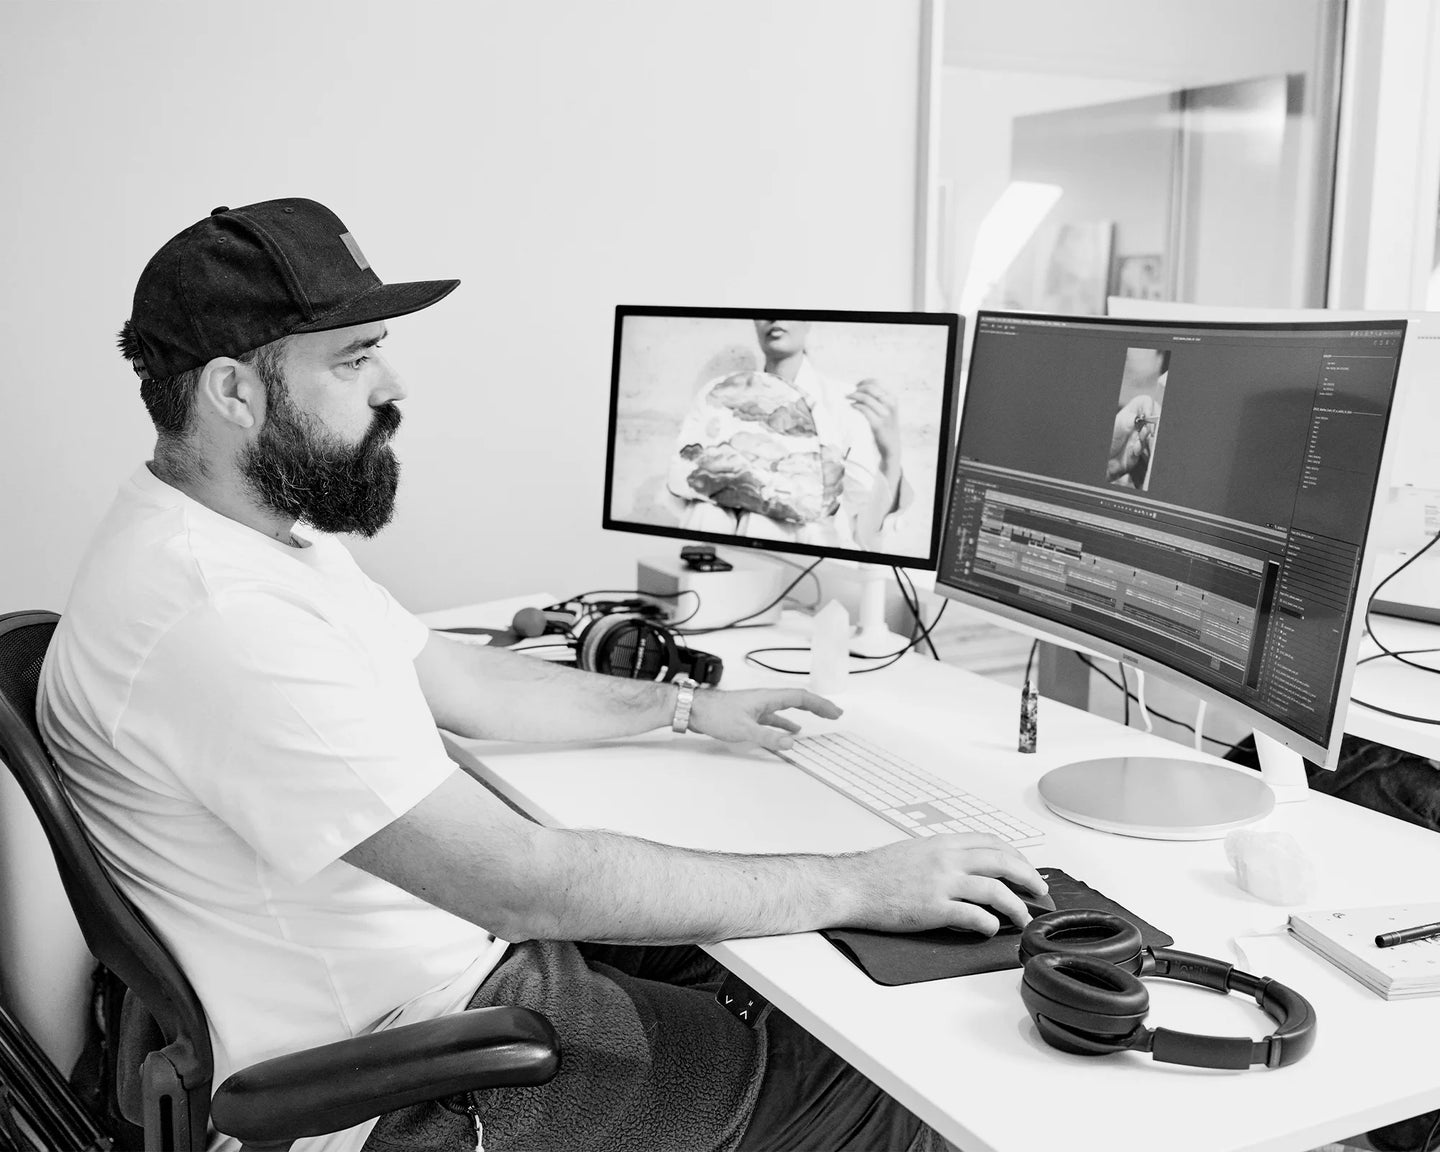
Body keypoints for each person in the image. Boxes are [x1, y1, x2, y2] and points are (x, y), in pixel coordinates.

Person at [38, 199, 1046, 1152]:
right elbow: (522, 883)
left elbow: (465, 683)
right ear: (234, 391)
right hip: (424, 1077)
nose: (392, 387)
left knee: (792, 962)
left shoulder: (249, 540)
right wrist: (861, 881)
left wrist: (689, 707)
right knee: (891, 1086)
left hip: (446, 979)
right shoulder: (218, 614)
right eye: (354, 359)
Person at [667, 319, 910, 552]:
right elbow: (682, 489)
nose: (774, 317)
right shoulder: (723, 397)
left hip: (806, 561)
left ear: (809, 320)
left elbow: (867, 534)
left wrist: (891, 455)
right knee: (705, 513)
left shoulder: (844, 405)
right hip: (719, 551)